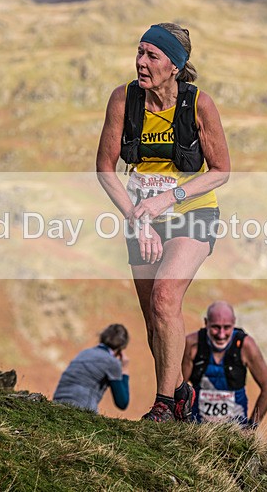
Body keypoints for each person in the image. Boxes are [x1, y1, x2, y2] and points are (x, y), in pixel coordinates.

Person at [96, 23, 231, 422]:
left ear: (176, 65)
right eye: (139, 52)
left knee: (165, 298)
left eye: (152, 56)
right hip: (141, 219)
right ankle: (181, 395)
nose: (140, 62)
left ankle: (164, 406)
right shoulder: (123, 99)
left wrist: (166, 199)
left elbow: (221, 170)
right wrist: (138, 217)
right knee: (155, 322)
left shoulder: (199, 105)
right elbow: (105, 169)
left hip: (192, 213)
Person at [182, 301, 267, 428]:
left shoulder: (246, 346)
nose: (221, 334)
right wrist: (180, 422)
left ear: (234, 323)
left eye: (227, 327)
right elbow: (179, 386)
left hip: (235, 429)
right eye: (215, 327)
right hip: (197, 427)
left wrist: (251, 427)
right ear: (206, 322)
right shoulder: (192, 344)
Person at [53, 324, 130, 413]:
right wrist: (124, 370)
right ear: (121, 349)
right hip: (81, 410)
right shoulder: (112, 362)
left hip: (57, 405)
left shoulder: (85, 353)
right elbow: (122, 403)